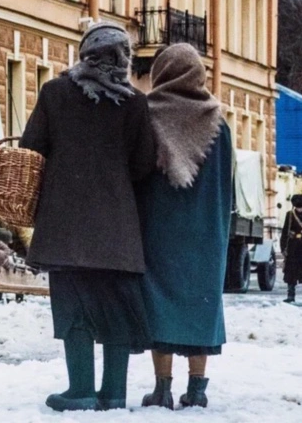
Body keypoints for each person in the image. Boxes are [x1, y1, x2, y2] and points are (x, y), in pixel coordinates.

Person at [19, 22, 156, 412]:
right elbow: (145, 164)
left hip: (64, 223)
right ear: (123, 57)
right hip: (117, 227)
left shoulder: (55, 93)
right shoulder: (134, 103)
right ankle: (113, 393)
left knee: (73, 307)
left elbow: (31, 150)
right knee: (116, 309)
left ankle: (79, 390)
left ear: (85, 54)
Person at [136, 44, 234, 410]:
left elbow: (139, 172)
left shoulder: (149, 116)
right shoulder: (218, 123)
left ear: (162, 72)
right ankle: (197, 389)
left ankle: (161, 388)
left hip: (159, 228)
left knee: (159, 299)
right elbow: (226, 181)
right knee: (201, 302)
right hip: (206, 230)